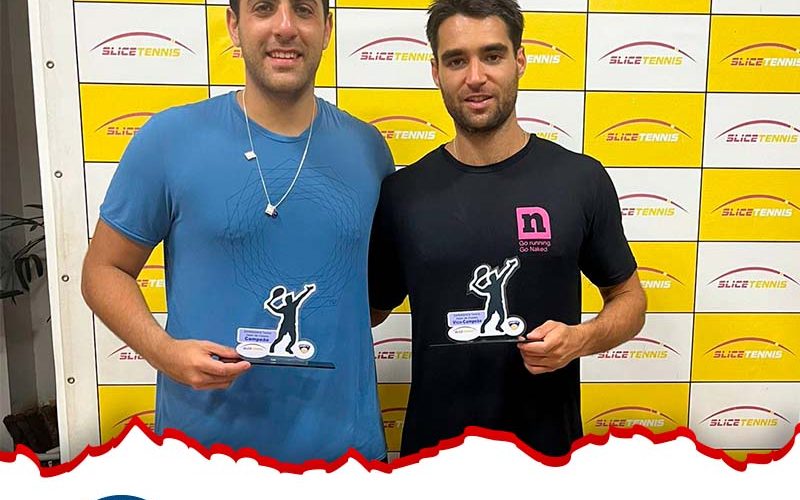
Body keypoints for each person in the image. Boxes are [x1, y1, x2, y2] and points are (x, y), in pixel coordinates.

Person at [81, 0, 394, 464]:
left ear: (327, 28)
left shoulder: (368, 150)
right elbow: (103, 270)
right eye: (264, 8)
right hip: (205, 458)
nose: (285, 27)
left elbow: (375, 297)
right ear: (234, 25)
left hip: (347, 457)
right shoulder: (169, 140)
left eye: (303, 10)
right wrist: (163, 352)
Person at [368, 0, 647, 458]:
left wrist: (579, 340)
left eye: (492, 56)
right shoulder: (403, 194)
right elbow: (366, 312)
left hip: (548, 456)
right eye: (456, 60)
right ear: (436, 71)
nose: (475, 76)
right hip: (435, 461)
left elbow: (630, 300)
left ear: (519, 60)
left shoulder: (579, 179)